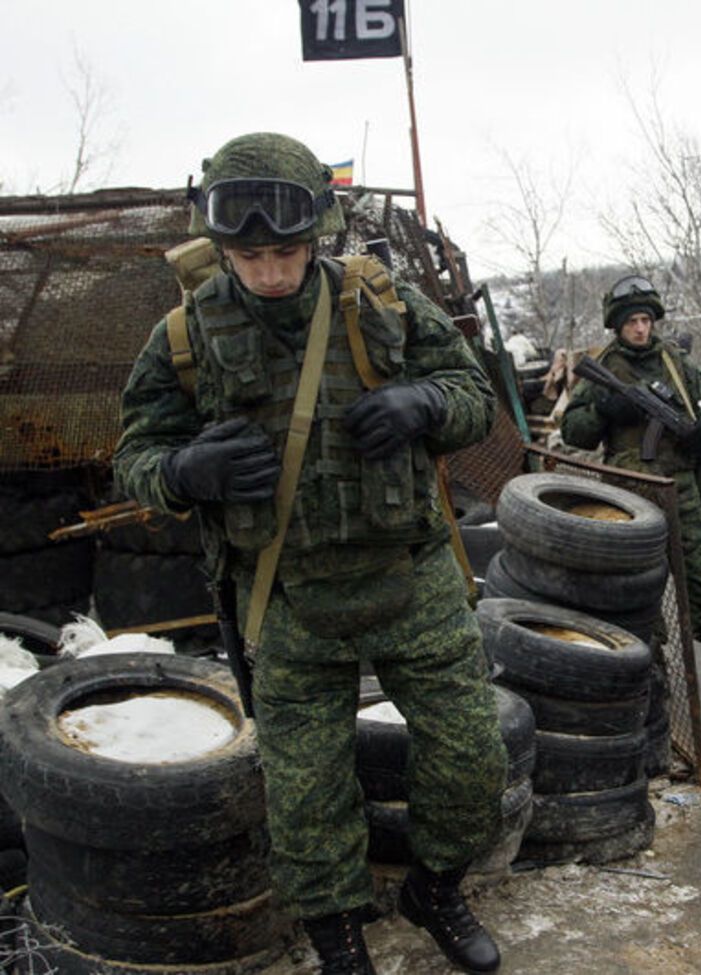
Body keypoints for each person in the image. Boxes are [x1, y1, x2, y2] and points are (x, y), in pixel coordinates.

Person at [113, 133, 507, 974]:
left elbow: (477, 396)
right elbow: (136, 455)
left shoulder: (383, 303)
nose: (269, 271)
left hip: (411, 576)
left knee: (473, 754)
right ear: (220, 246)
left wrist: (423, 400)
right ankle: (338, 938)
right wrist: (187, 469)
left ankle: (435, 888)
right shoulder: (184, 337)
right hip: (283, 593)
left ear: (318, 234)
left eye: (286, 251)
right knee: (305, 792)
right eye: (249, 255)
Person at [560, 274, 701, 697]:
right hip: (629, 493)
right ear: (618, 325)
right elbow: (574, 431)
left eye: (645, 320)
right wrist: (605, 410)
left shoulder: (675, 361)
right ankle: (652, 672)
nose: (640, 328)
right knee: (640, 585)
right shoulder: (602, 366)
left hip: (681, 485)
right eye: (631, 321)